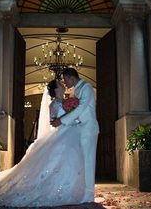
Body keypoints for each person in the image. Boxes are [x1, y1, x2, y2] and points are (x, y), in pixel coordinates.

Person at [51, 68, 99, 203]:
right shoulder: (75, 90)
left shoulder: (87, 88)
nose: (64, 83)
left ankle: (89, 195)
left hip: (88, 129)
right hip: (79, 129)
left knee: (88, 161)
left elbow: (81, 108)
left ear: (72, 77)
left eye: (65, 79)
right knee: (82, 162)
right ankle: (82, 190)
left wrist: (61, 120)